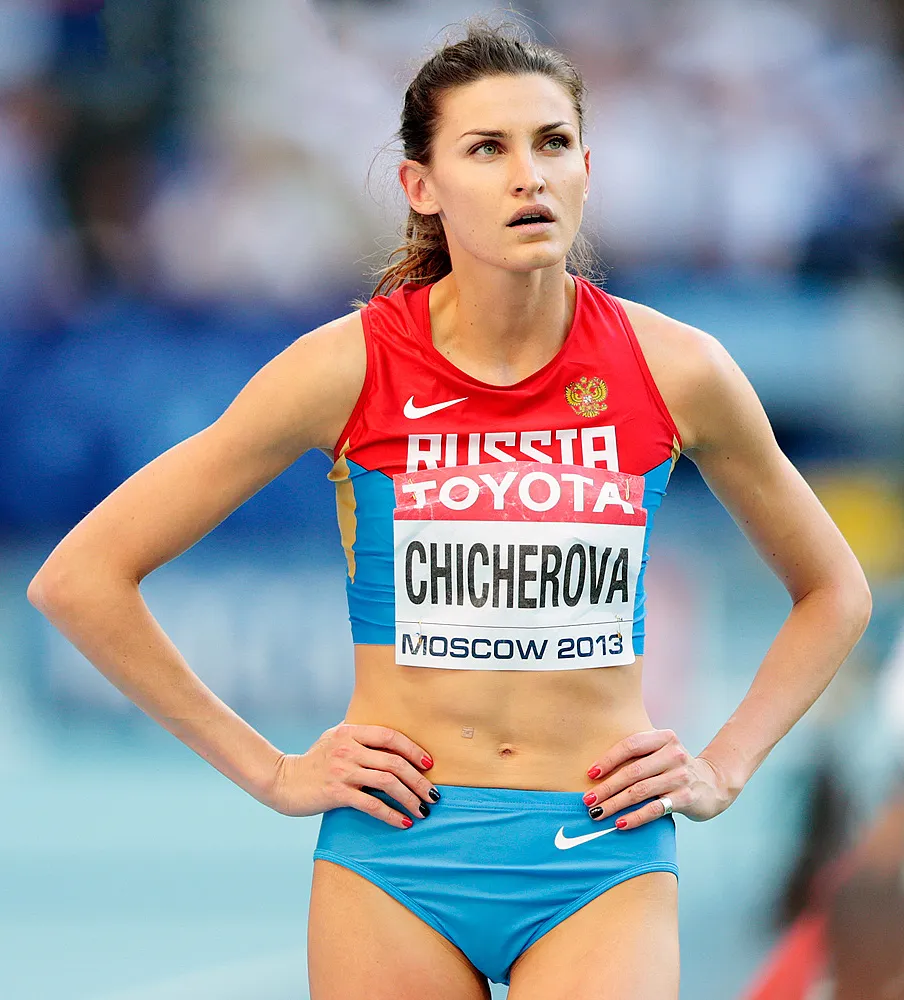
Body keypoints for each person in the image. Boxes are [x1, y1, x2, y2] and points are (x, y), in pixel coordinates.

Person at [27, 19, 872, 1000]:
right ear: (420, 186)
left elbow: (834, 591)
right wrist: (270, 771)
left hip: (599, 853)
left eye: (552, 143)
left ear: (588, 169)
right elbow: (80, 578)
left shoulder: (678, 368)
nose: (529, 176)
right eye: (487, 148)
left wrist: (723, 768)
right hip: (396, 859)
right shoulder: (345, 366)